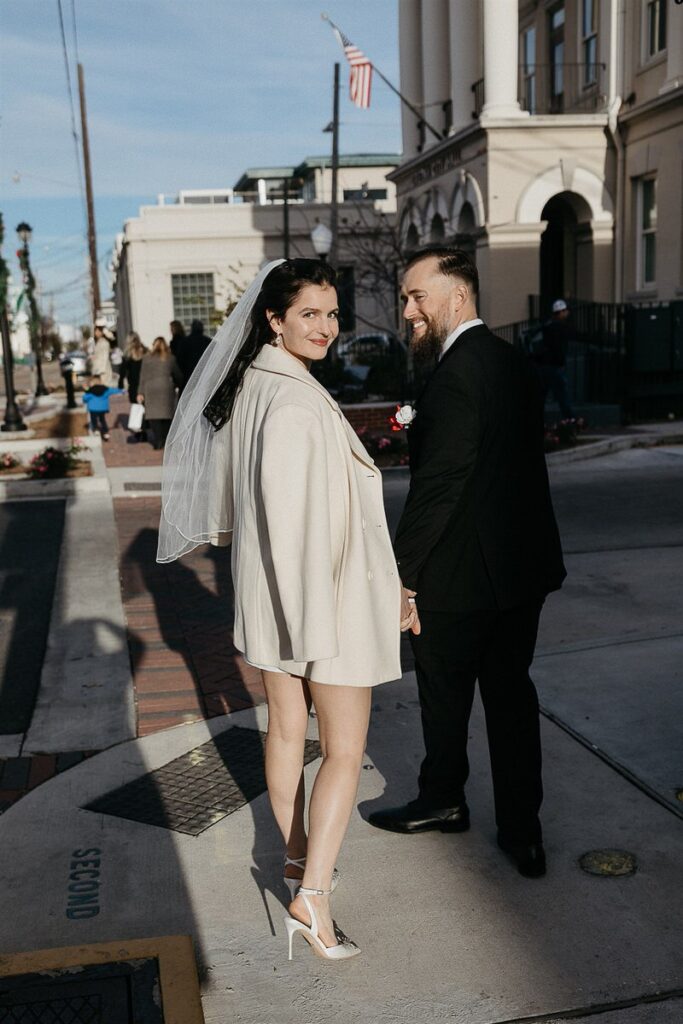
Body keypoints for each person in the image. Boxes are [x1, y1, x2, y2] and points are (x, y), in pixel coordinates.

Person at [157, 259, 408, 961]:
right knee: (345, 750)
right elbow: (300, 524)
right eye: (310, 315)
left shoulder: (254, 389)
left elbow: (244, 515)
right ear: (274, 319)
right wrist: (330, 618)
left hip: (275, 601)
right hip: (321, 603)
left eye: (332, 314)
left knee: (284, 731)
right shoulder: (293, 403)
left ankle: (297, 863)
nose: (326, 328)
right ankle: (312, 897)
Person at [368, 247, 566, 879]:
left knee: (445, 697)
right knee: (512, 701)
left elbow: (442, 485)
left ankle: (443, 800)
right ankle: (523, 834)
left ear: (457, 296)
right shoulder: (512, 363)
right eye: (405, 298)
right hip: (520, 570)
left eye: (416, 296)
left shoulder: (454, 375)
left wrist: (401, 575)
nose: (407, 311)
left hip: (459, 574)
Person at [137, 337, 183, 449]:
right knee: (166, 414)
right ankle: (165, 439)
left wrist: (140, 392)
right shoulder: (170, 358)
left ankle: (158, 440)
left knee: (154, 415)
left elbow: (142, 376)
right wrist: (179, 384)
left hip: (151, 388)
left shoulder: (146, 359)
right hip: (166, 388)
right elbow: (178, 374)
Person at [537, 299, 575, 420]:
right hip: (556, 366)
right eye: (565, 311)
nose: (567, 313)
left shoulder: (547, 326)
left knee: (542, 395)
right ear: (561, 312)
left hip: (543, 366)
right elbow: (560, 348)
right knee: (562, 396)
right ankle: (571, 420)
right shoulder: (561, 327)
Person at [82, 374, 124, 440]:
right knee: (102, 420)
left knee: (94, 419)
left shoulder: (90, 391)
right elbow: (113, 390)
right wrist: (122, 391)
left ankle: (96, 430)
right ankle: (105, 433)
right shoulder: (106, 389)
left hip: (93, 409)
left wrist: (85, 398)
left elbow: (85, 398)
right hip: (103, 408)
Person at [122, 332, 147, 441]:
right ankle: (145, 429)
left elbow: (123, 371)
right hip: (145, 383)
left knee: (137, 407)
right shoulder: (145, 351)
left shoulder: (127, 354)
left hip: (133, 385)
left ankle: (139, 430)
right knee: (145, 407)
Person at [178, 318, 212, 383]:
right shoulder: (209, 342)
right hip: (205, 374)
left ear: (192, 328)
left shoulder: (184, 342)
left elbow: (180, 360)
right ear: (202, 329)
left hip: (189, 374)